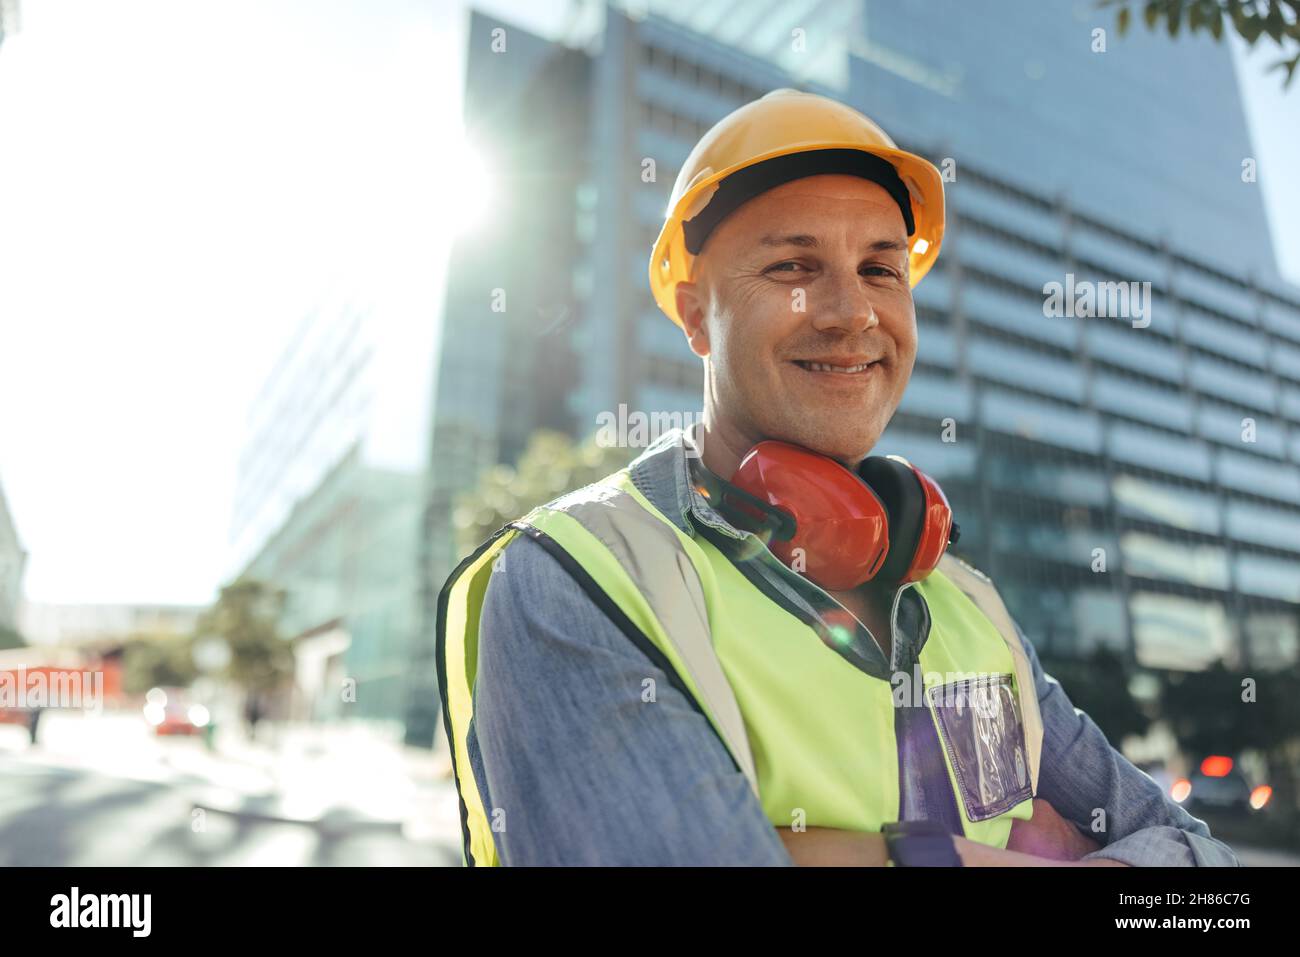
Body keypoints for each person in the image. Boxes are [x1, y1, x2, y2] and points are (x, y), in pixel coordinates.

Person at [437, 89, 1238, 867]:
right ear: (692, 314)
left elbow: (1205, 867)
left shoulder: (971, 610)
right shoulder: (574, 576)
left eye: (881, 271)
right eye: (793, 265)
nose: (851, 313)